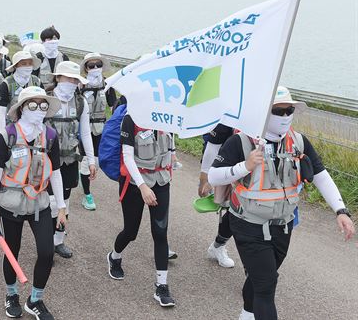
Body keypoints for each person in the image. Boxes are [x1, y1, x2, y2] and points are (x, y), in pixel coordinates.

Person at [208, 86, 354, 320]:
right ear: (264, 112)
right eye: (279, 111)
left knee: (260, 278)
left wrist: (341, 210)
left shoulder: (298, 142)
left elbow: (320, 175)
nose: (285, 116)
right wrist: (244, 166)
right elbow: (214, 176)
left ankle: (246, 315)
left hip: (283, 225)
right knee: (266, 285)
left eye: (289, 110)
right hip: (248, 224)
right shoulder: (242, 142)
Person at [0, 86, 65, 320]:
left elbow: (56, 172)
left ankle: (35, 300)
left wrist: (61, 207)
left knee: (47, 252)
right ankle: (11, 295)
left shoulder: (49, 136)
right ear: (21, 108)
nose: (39, 109)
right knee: (12, 250)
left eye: (43, 105)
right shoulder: (8, 135)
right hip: (11, 202)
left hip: (39, 202)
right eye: (33, 104)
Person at [106, 105, 177, 307]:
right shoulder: (131, 118)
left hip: (161, 181)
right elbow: (127, 158)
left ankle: (161, 286)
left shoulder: (169, 116)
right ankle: (114, 256)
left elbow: (171, 144)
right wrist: (144, 187)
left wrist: (172, 156)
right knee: (131, 231)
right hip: (135, 184)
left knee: (160, 232)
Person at [45, 61, 96, 259]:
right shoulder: (45, 100)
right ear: (57, 78)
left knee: (64, 201)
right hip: (47, 160)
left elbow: (85, 132)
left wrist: (91, 160)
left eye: (75, 79)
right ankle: (46, 243)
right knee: (49, 202)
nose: (72, 82)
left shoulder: (81, 102)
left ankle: (58, 241)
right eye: (68, 78)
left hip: (69, 160)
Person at [79, 52, 117, 210]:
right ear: (86, 68)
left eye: (98, 65)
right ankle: (87, 195)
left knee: (97, 160)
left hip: (101, 127)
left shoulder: (108, 85)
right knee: (86, 161)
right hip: (84, 127)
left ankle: (84, 178)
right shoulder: (80, 85)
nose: (95, 68)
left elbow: (113, 105)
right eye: (91, 66)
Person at [198, 123, 236, 268]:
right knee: (232, 212)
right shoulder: (229, 117)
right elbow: (212, 147)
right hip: (225, 169)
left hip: (258, 173)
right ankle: (219, 246)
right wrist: (204, 179)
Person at [0, 50, 42, 135]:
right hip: (12, 128)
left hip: (34, 128)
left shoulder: (37, 82)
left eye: (30, 63)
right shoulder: (7, 84)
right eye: (23, 64)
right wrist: (3, 133)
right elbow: (1, 113)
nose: (27, 66)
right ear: (16, 65)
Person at [34, 26, 69, 92]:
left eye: (55, 39)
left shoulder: (63, 57)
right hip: (41, 93)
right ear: (43, 41)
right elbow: (33, 77)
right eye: (49, 39)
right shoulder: (39, 57)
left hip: (59, 93)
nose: (53, 42)